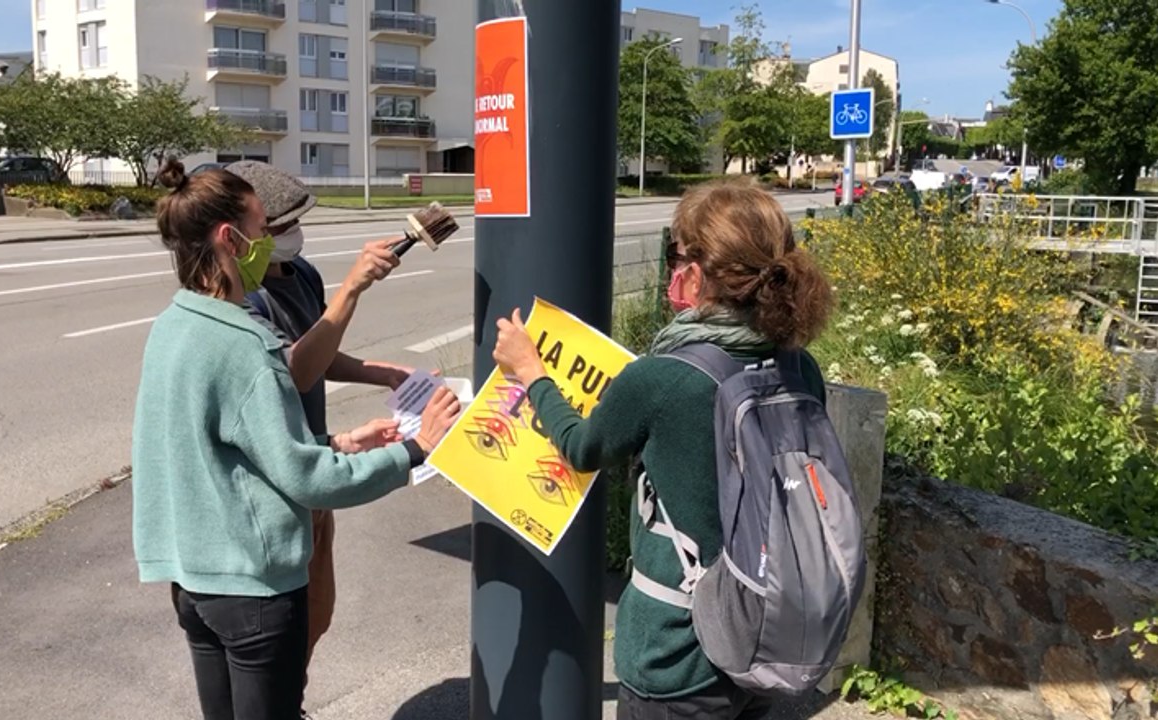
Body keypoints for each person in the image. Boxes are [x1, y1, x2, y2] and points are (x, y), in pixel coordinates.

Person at [132, 159, 461, 720]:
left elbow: (229, 446)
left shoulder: (173, 325)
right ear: (229, 239)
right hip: (253, 587)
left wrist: (337, 441)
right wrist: (415, 449)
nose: (272, 241)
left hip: (194, 581)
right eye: (264, 229)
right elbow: (304, 478)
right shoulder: (245, 342)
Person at [492, 183, 832, 720]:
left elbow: (583, 448)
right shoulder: (798, 366)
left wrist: (531, 372)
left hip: (678, 651)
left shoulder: (663, 379)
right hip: (767, 633)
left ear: (695, 275)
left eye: (678, 257)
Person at [222, 161, 416, 716]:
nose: (289, 237)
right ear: (244, 233)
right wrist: (353, 287)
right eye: (277, 227)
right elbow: (297, 371)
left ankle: (291, 699)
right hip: (285, 471)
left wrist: (381, 372)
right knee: (282, 620)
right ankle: (283, 704)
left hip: (318, 462)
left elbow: (320, 349)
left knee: (316, 611)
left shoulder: (300, 273)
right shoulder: (246, 298)